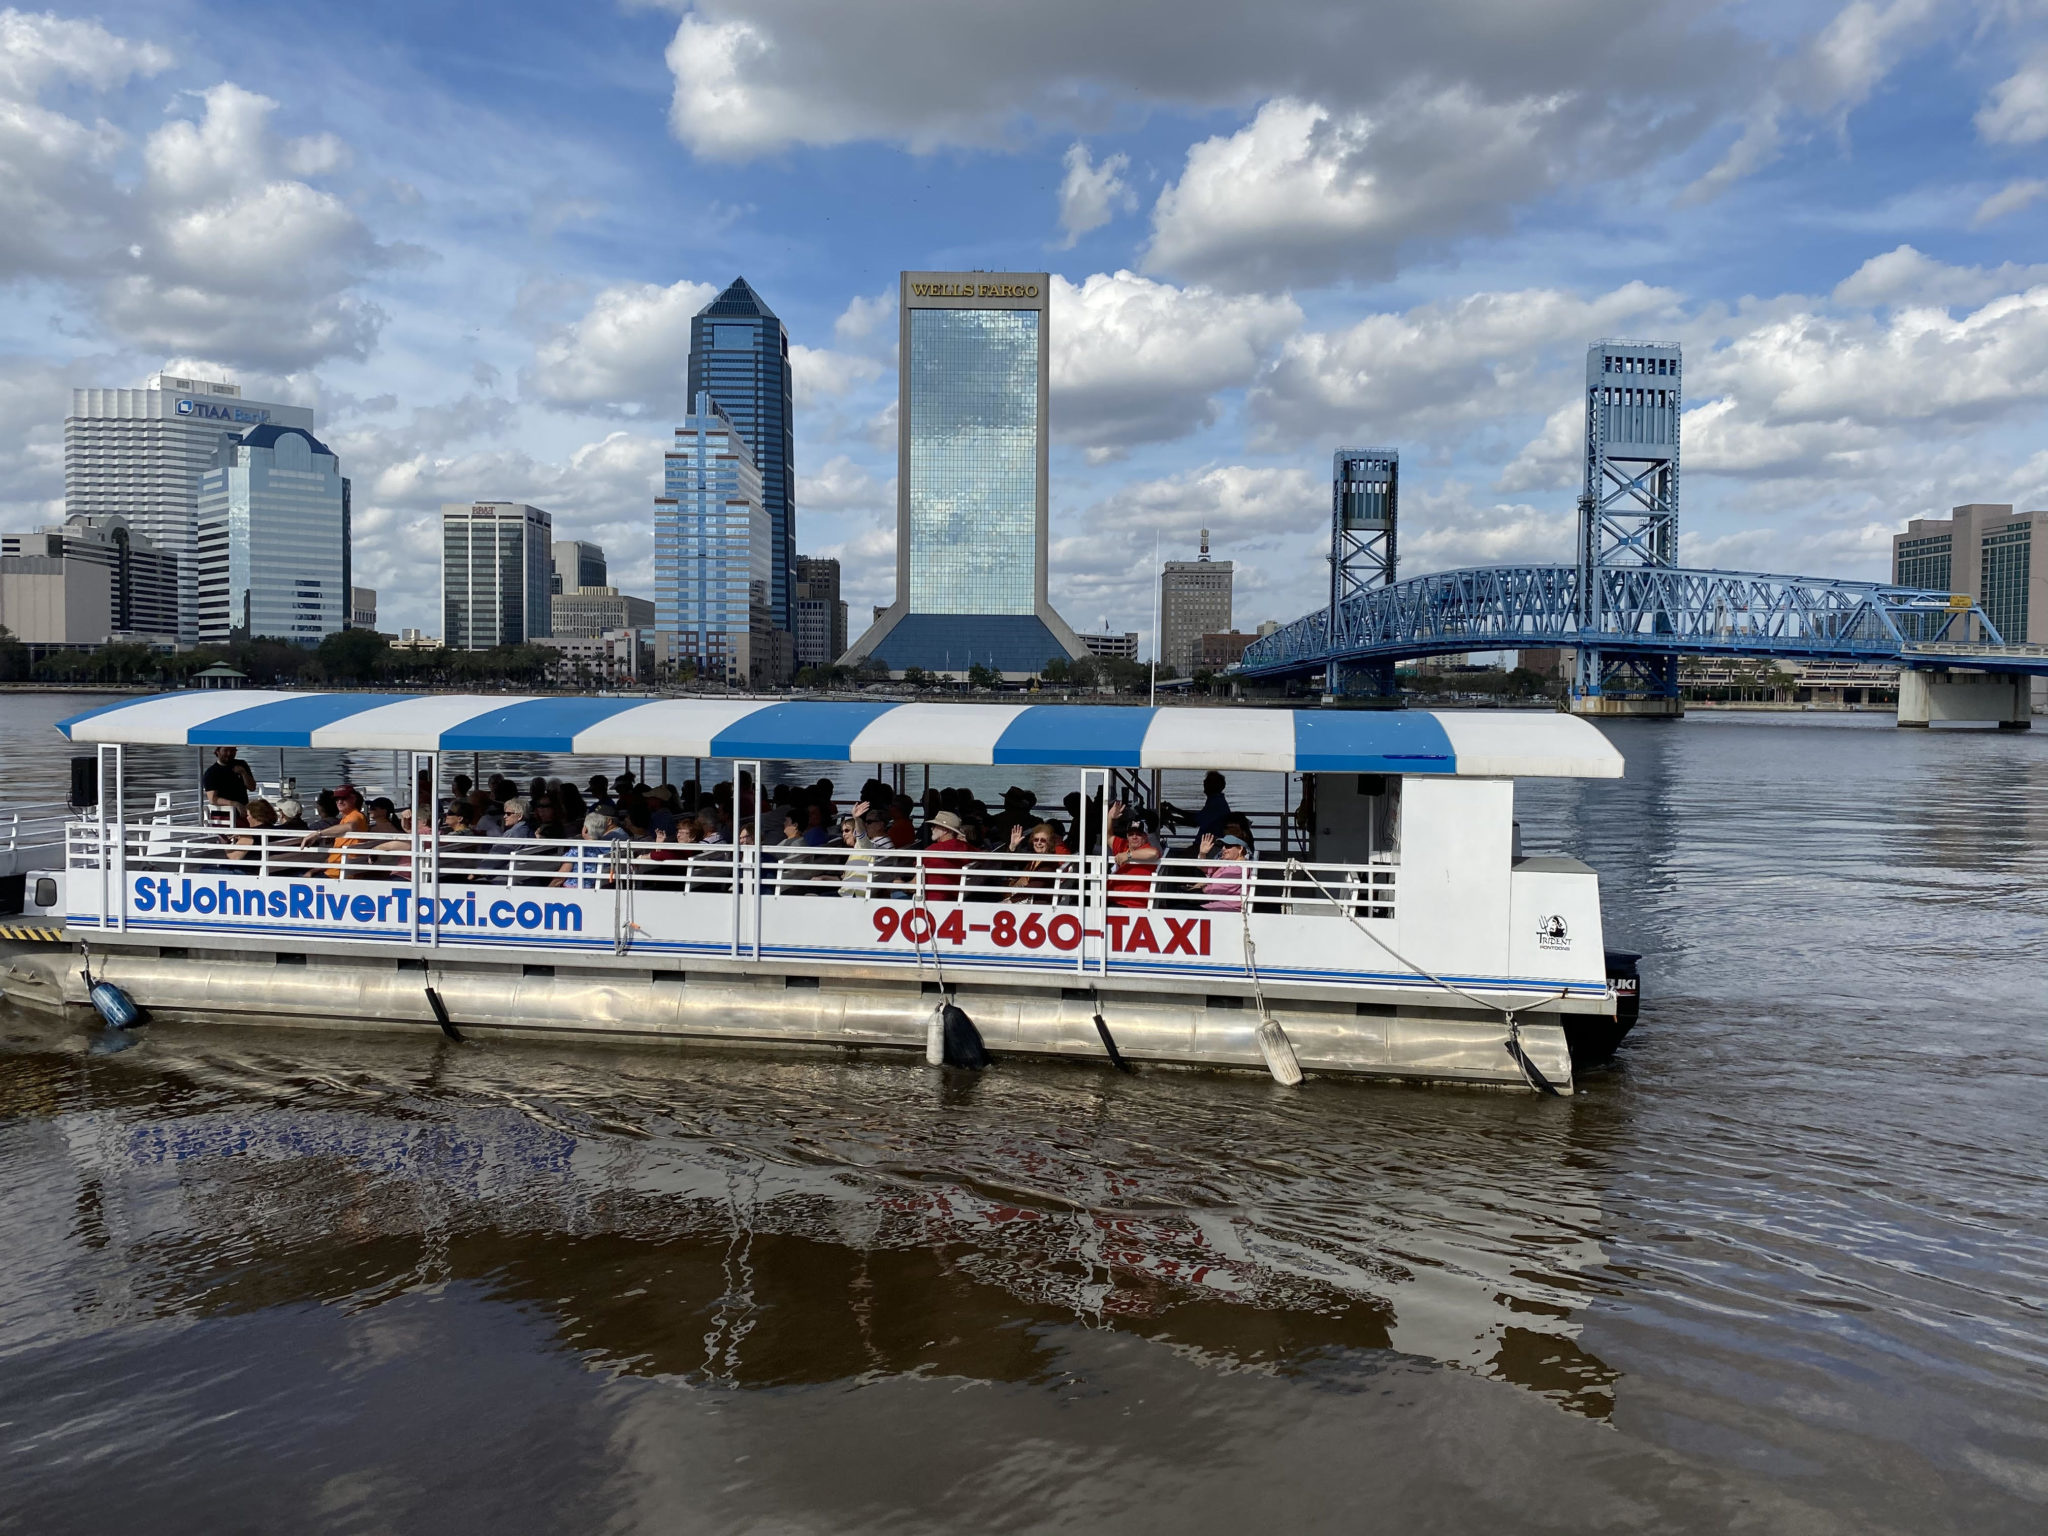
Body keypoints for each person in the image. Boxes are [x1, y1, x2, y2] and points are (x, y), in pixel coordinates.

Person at [297, 785, 369, 877]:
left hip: (338, 874)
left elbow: (350, 826)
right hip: (336, 870)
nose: (339, 801)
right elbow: (334, 857)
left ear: (353, 798)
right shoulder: (346, 818)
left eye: (343, 798)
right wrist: (313, 871)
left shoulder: (355, 816)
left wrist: (318, 834)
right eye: (337, 799)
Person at [1106, 803, 1160, 908]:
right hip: (1112, 899)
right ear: (1127, 836)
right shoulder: (1123, 845)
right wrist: (1110, 818)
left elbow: (1154, 854)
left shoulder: (1148, 849)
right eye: (1131, 834)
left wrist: (1128, 856)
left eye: (1138, 834)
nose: (1134, 837)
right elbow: (1108, 837)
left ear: (1145, 836)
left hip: (1130, 904)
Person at [1002, 822, 1065, 904]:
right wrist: (1012, 847)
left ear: (1050, 842)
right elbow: (1008, 864)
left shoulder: (1049, 862)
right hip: (1025, 900)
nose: (1038, 843)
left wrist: (1010, 901)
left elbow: (1034, 886)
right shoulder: (1034, 857)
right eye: (1036, 839)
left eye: (1043, 840)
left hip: (1037, 905)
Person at [923, 809, 971, 900]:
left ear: (944, 830)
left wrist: (898, 883)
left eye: (934, 826)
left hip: (931, 901)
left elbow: (914, 885)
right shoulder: (966, 847)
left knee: (896, 893)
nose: (931, 828)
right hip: (954, 897)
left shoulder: (933, 851)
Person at [1198, 831, 1249, 911]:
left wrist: (1201, 886)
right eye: (1223, 845)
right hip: (1217, 905)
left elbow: (1214, 890)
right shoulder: (1230, 863)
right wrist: (1202, 854)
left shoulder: (1237, 869)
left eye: (1228, 846)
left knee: (1179, 907)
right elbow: (1206, 869)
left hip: (1224, 908)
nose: (1223, 848)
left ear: (1240, 849)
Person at [202, 746, 256, 813]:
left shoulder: (241, 764)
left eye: (233, 751)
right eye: (225, 750)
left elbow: (252, 788)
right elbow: (213, 799)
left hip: (244, 813)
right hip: (223, 815)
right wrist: (235, 804)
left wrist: (243, 773)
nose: (229, 753)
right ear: (217, 752)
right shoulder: (211, 772)